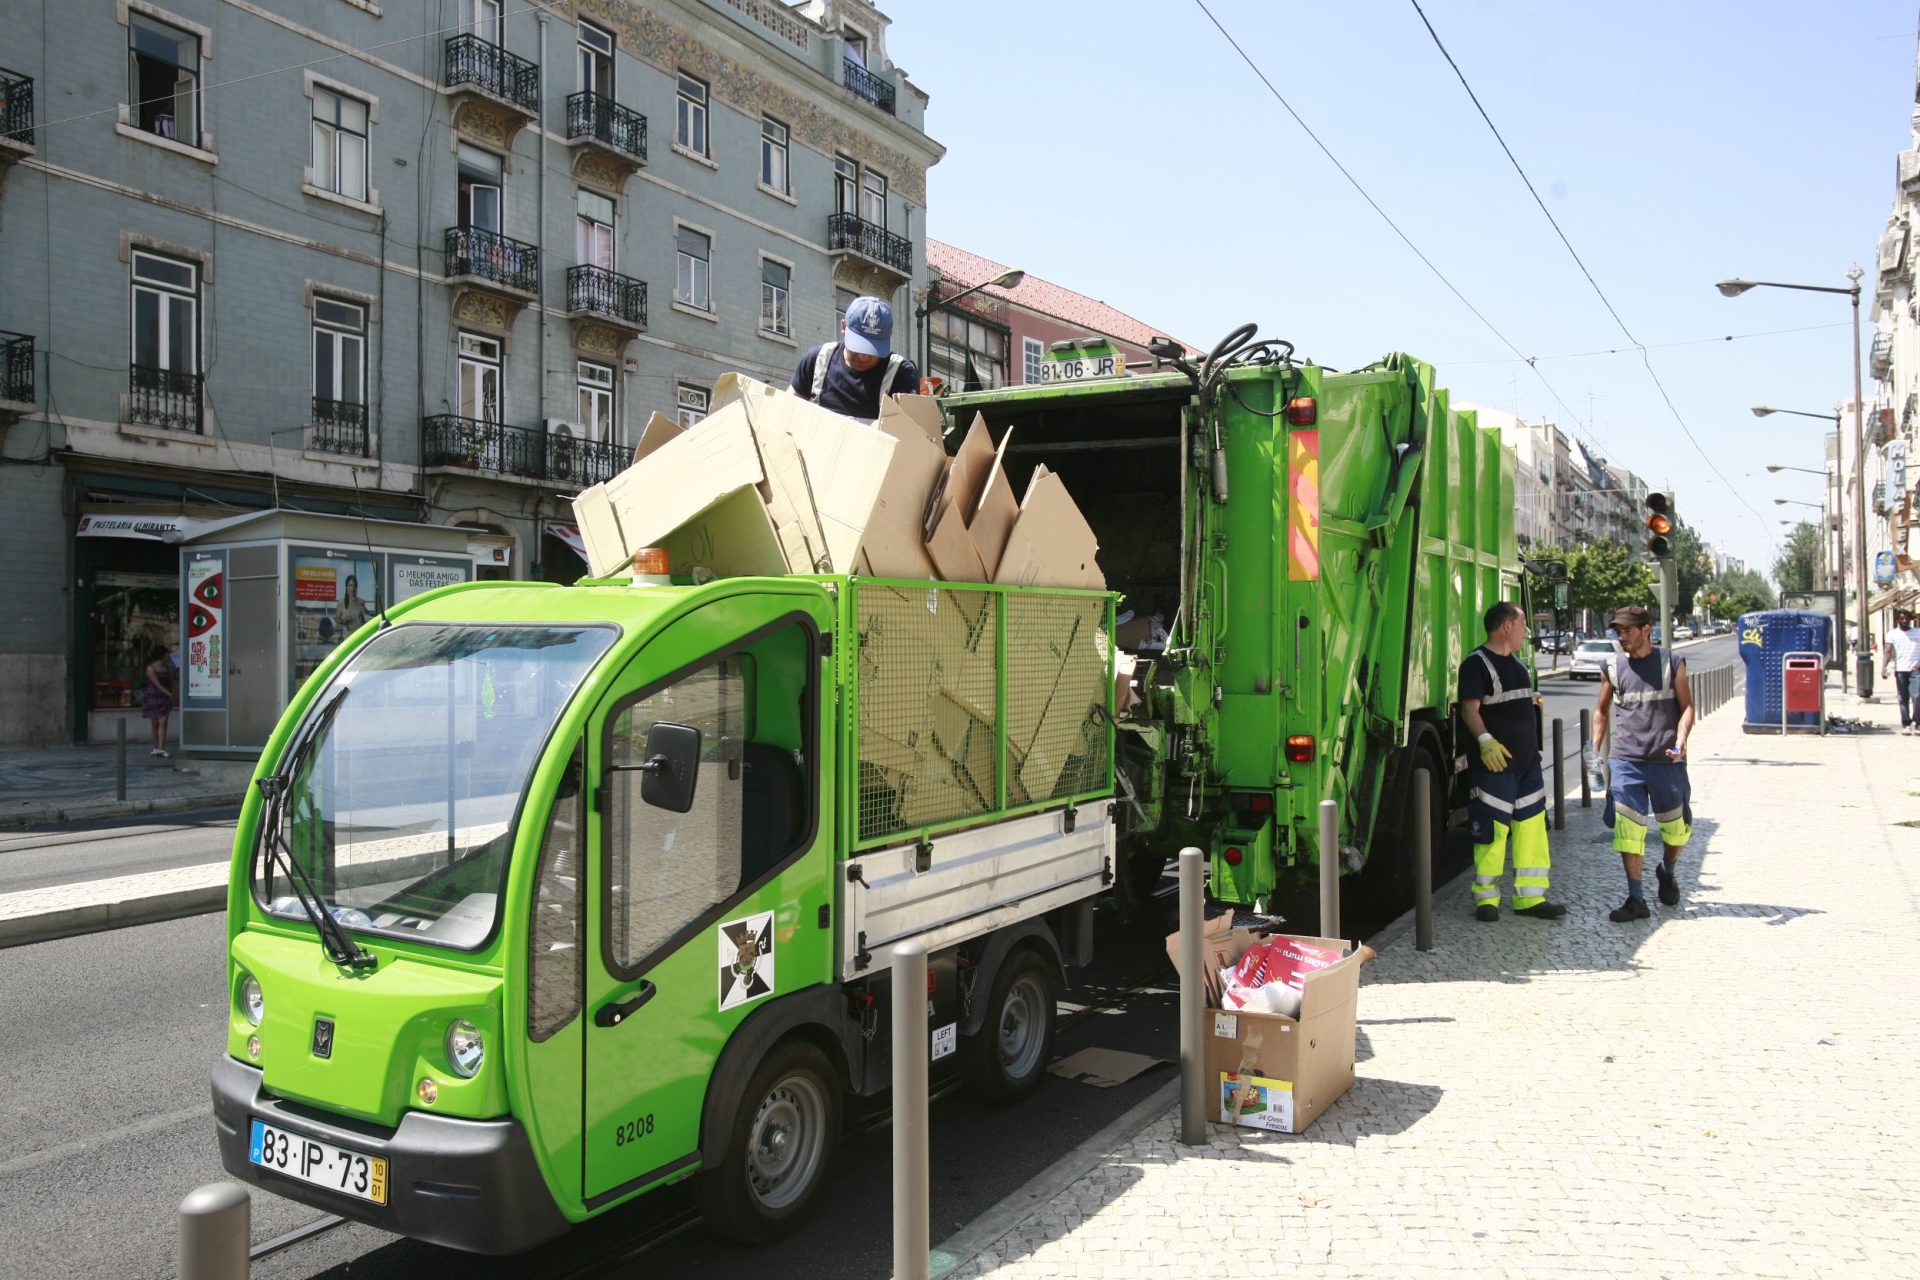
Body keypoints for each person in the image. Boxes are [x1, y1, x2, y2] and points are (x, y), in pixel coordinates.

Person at [1457, 600, 1567, 922]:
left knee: (1532, 830)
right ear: (1506, 626)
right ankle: (1486, 899)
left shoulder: (1518, 666)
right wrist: (1485, 741)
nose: (1525, 632)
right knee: (1492, 832)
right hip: (1497, 767)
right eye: (1522, 625)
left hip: (1527, 768)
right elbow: (1469, 709)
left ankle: (1531, 898)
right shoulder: (1476, 664)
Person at [1591, 603, 1696, 922]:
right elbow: (1601, 711)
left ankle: (1667, 870)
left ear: (1646, 630)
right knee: (1628, 831)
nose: (1621, 636)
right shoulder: (1611, 666)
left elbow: (1687, 708)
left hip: (1666, 761)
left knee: (1676, 831)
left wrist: (1681, 741)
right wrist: (1594, 751)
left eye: (1627, 630)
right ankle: (1636, 898)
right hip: (1626, 761)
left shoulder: (1672, 662)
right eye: (1618, 631)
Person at [789, 295, 918, 420]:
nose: (863, 357)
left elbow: (909, 433)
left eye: (872, 350)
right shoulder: (816, 360)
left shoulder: (901, 375)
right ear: (844, 327)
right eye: (858, 347)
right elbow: (788, 411)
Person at [1883, 610, 1920, 734]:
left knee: (1917, 696)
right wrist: (1884, 668)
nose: (1904, 621)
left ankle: (1918, 722)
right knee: (1903, 698)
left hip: (1916, 670)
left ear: (1910, 619)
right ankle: (1906, 724)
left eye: (1906, 619)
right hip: (1900, 670)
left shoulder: (1918, 632)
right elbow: (1888, 651)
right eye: (1902, 619)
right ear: (1897, 620)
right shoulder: (1892, 634)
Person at [141, 643, 176, 758]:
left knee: (163, 721)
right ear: (161, 655)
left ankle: (161, 748)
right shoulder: (151, 668)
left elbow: (171, 681)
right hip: (154, 695)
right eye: (167, 654)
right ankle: (156, 747)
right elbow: (156, 684)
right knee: (155, 723)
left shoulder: (167, 667)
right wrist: (169, 693)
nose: (169, 656)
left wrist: (172, 692)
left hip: (165, 696)